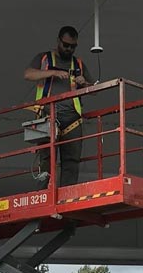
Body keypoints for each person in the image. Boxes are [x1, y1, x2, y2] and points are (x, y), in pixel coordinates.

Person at [24, 26, 93, 186]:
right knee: (47, 159)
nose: (69, 49)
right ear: (58, 41)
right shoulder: (44, 59)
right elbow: (28, 74)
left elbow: (93, 90)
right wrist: (53, 73)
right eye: (66, 45)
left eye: (73, 46)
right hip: (47, 117)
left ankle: (66, 196)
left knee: (72, 161)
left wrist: (84, 83)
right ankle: (45, 195)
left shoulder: (78, 64)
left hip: (72, 119)